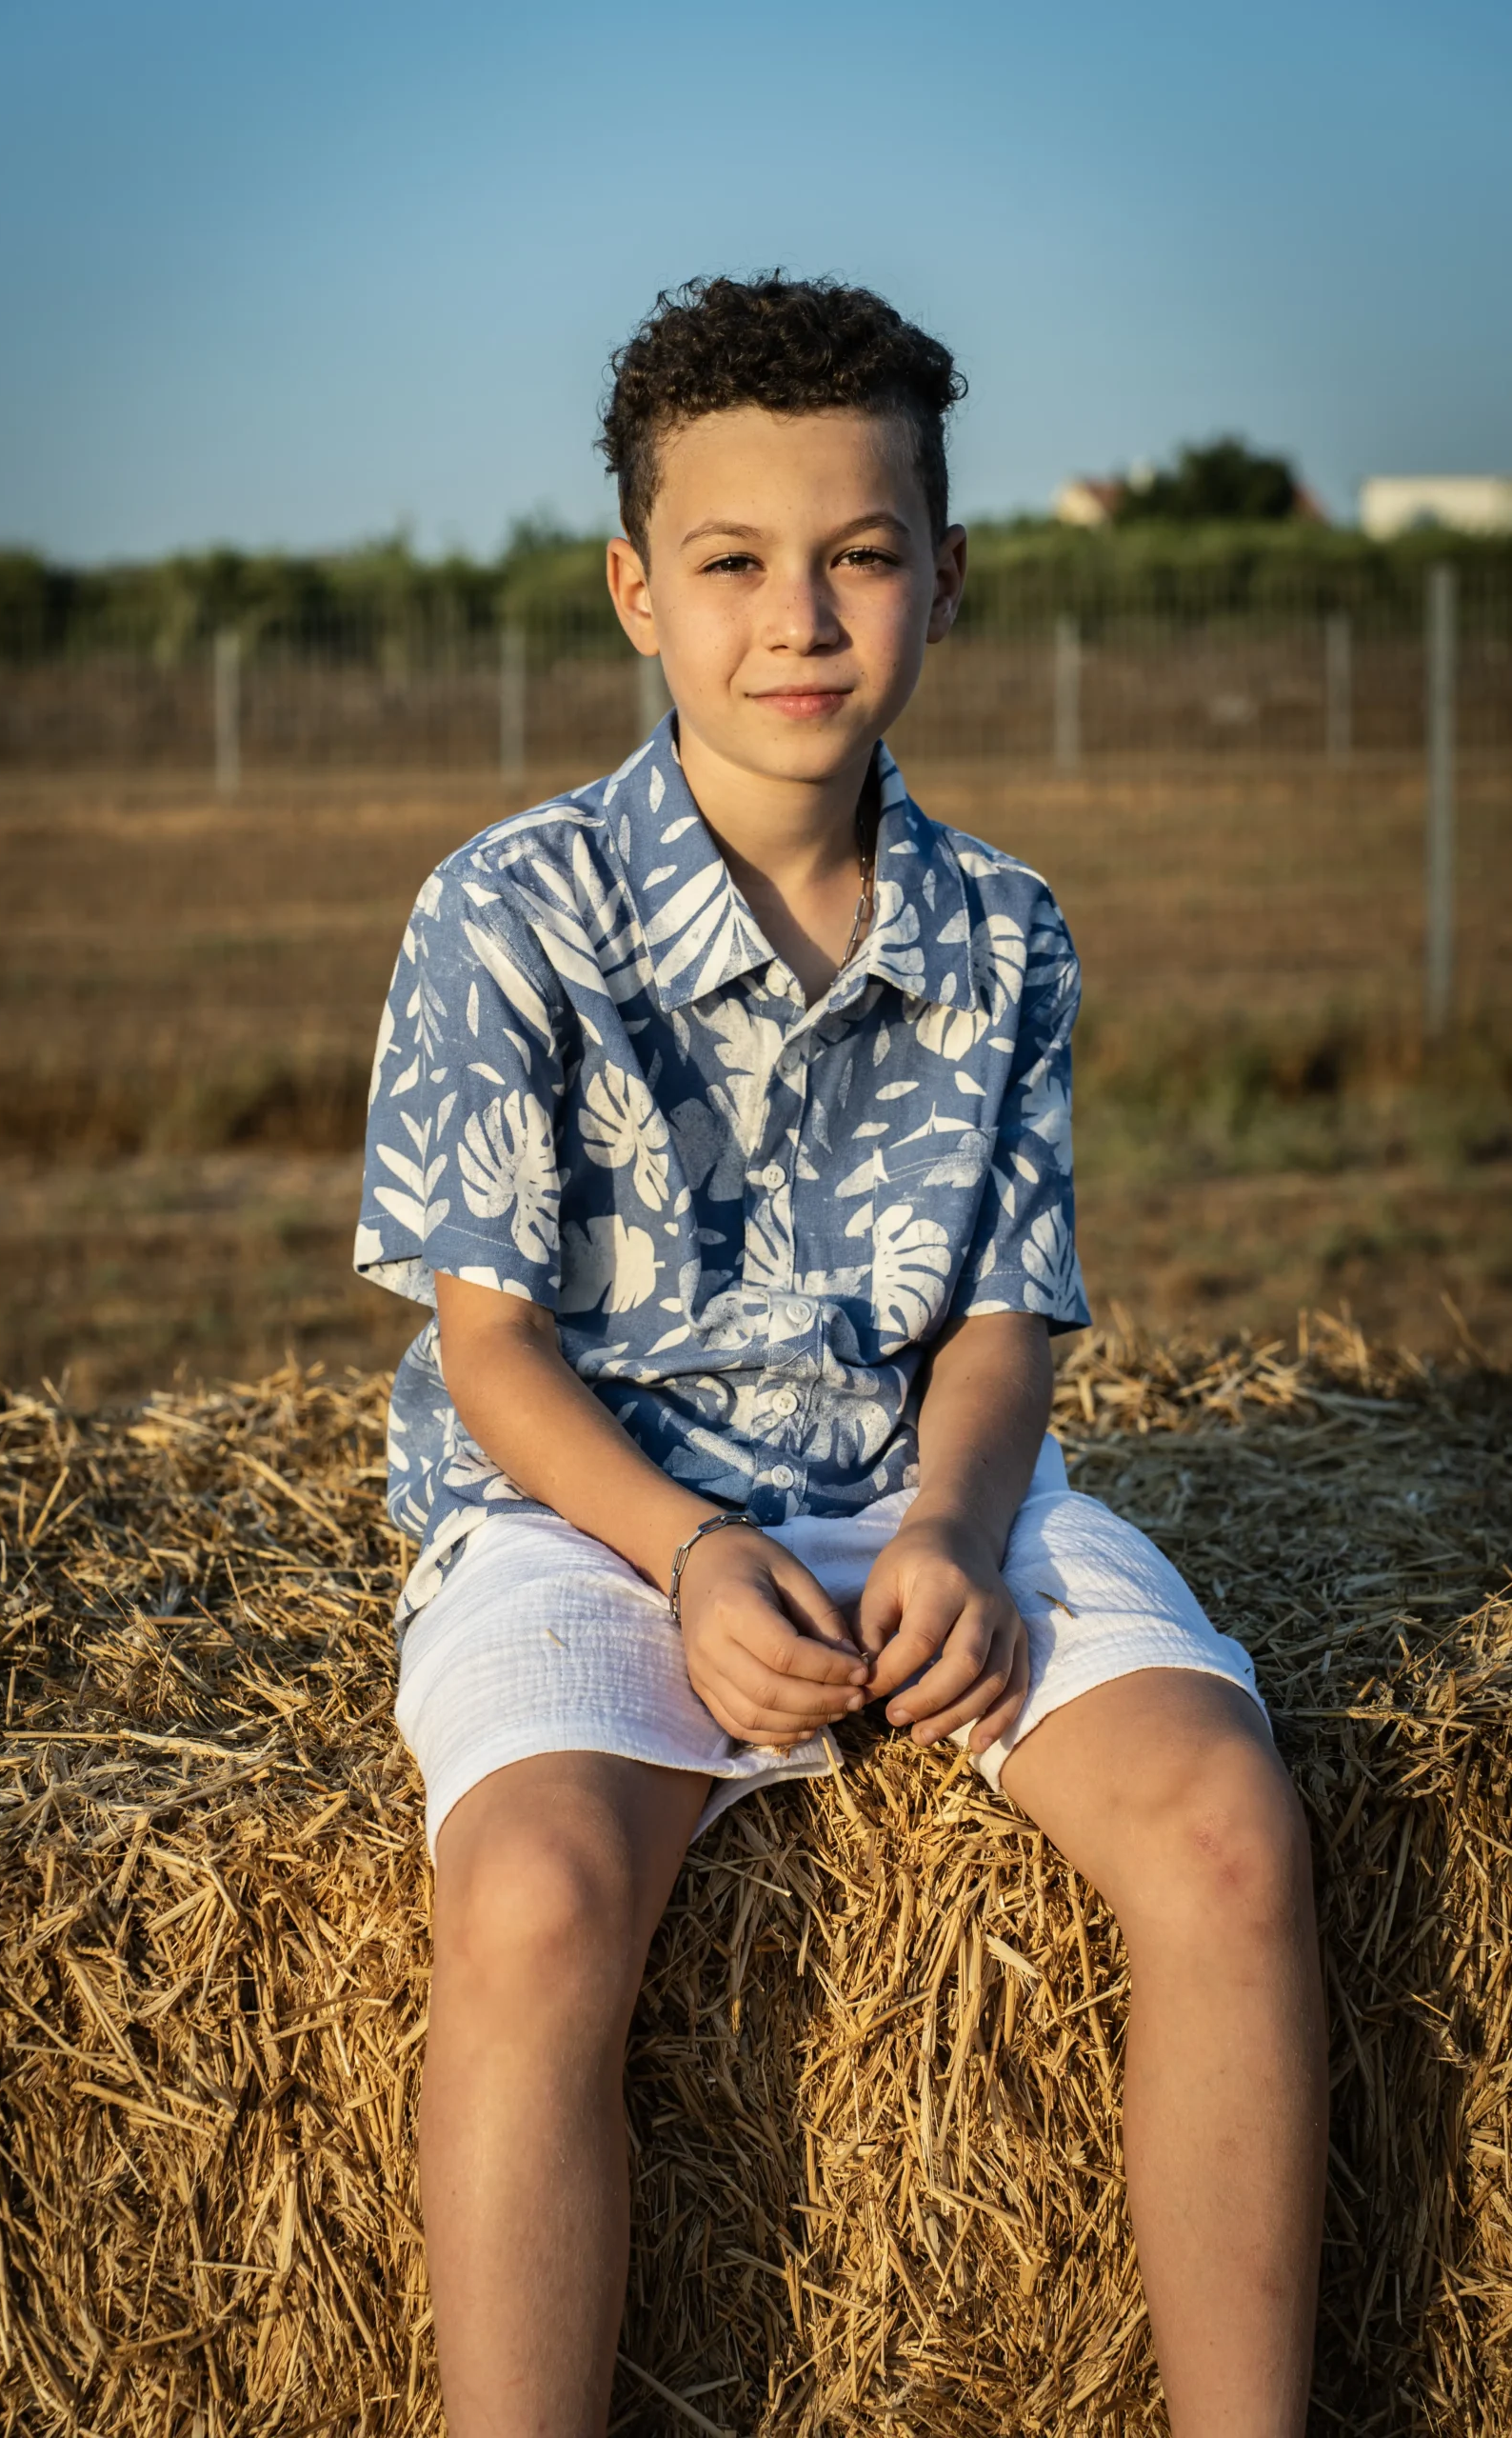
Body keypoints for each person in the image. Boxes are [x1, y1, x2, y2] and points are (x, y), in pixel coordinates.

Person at [356, 274, 1326, 2438]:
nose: (797, 618)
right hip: (588, 1508)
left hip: (922, 1485)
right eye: (731, 562)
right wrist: (694, 1552)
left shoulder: (1006, 930)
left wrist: (959, 1535)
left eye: (859, 554)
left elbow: (1000, 1312)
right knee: (531, 1896)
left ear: (944, 578)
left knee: (1226, 1830)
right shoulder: (504, 913)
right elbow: (490, 1351)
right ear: (635, 588)